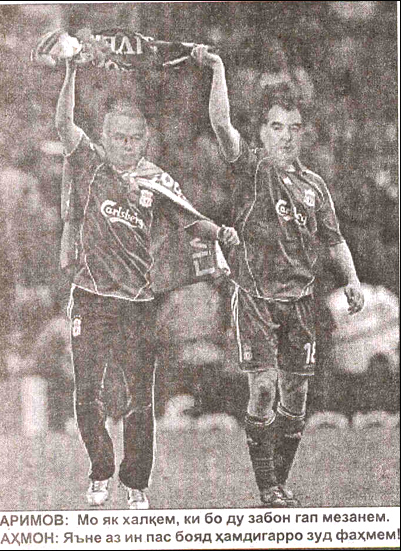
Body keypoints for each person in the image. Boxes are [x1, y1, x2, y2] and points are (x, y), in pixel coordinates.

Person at [37, 32, 239, 510]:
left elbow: (191, 218)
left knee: (139, 399)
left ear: (145, 141)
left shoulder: (156, 180)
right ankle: (100, 470)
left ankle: (135, 483)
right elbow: (63, 123)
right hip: (91, 297)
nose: (126, 147)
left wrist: (222, 232)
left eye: (134, 139)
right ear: (105, 138)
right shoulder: (90, 162)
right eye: (119, 138)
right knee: (86, 394)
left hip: (138, 303)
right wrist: (71, 69)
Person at [191, 46, 365, 508]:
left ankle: (277, 485)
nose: (285, 137)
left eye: (293, 128)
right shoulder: (252, 168)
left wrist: (351, 280)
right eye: (276, 127)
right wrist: (218, 69)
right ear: (262, 133)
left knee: (296, 394)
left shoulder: (315, 187)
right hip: (255, 296)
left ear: (302, 133)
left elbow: (334, 240)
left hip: (301, 301)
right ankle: (268, 486)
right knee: (263, 386)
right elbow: (221, 124)